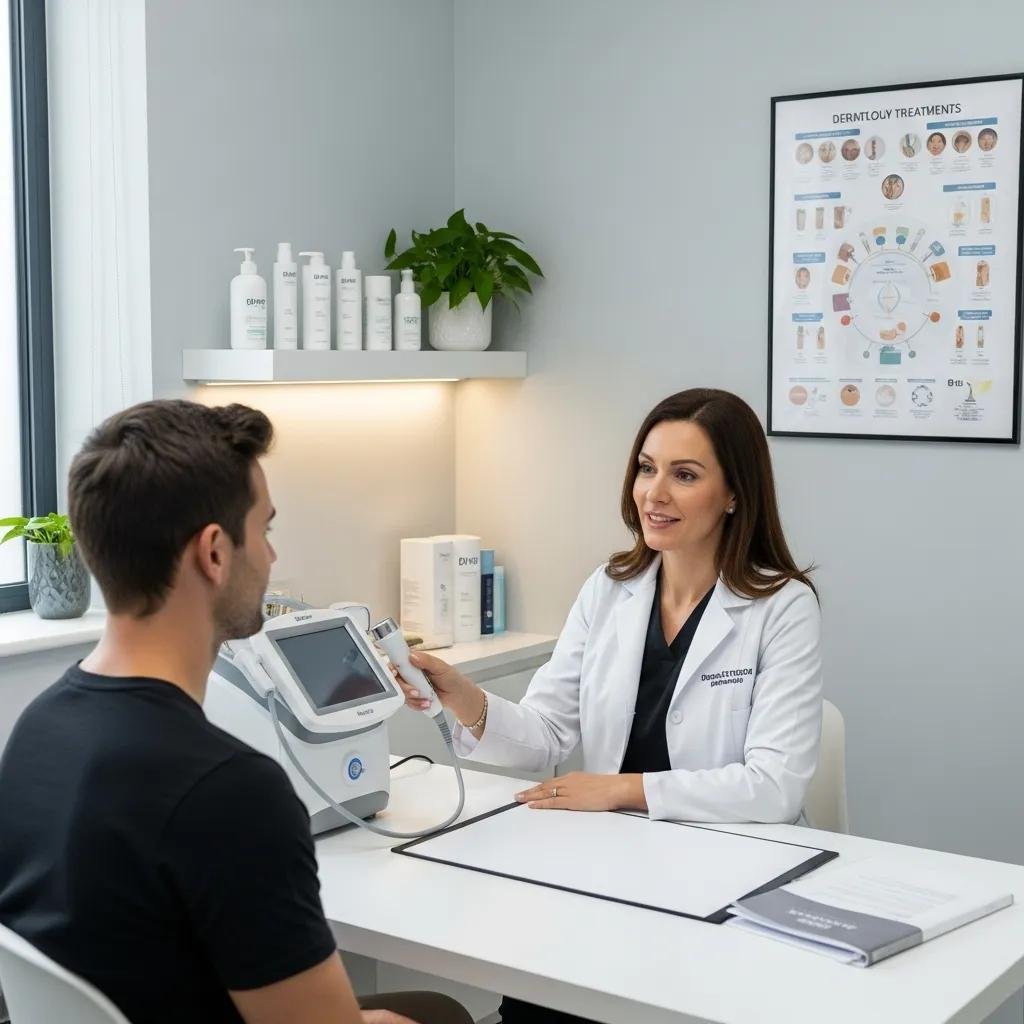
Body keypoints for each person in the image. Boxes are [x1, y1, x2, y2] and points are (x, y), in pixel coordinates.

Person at [0, 401, 471, 1024]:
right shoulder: (231, 792)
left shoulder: (35, 732)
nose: (271, 558)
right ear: (215, 553)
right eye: (265, 531)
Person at [395, 389, 823, 1024]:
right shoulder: (610, 588)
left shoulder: (781, 606)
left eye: (685, 475)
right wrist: (467, 700)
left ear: (734, 494)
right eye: (647, 469)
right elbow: (546, 732)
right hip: (615, 860)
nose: (654, 493)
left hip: (729, 868)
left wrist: (622, 790)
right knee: (541, 994)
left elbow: (774, 787)